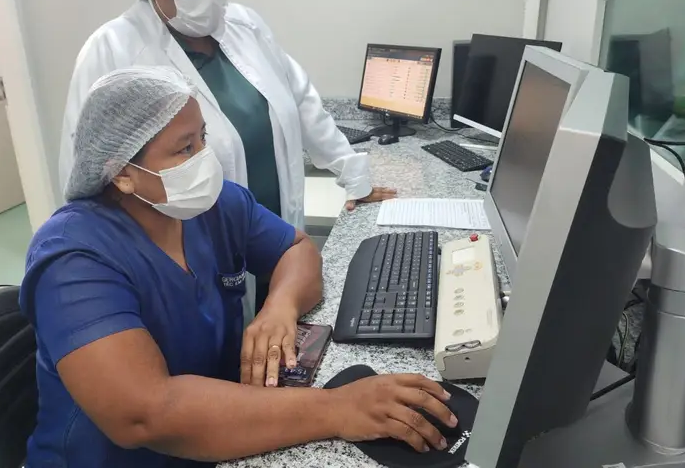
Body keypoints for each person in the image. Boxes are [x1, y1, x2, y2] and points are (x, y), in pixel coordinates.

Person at [23, 67, 457, 468]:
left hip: (220, 435)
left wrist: (280, 306)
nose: (204, 158)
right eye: (185, 148)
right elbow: (145, 414)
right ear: (122, 173)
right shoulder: (73, 257)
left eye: (203, 138)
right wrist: (339, 408)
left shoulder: (215, 206)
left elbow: (297, 250)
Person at [59, 0, 395, 228]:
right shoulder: (113, 49)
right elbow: (87, 169)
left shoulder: (245, 25)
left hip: (277, 229)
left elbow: (304, 104)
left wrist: (354, 175)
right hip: (185, 244)